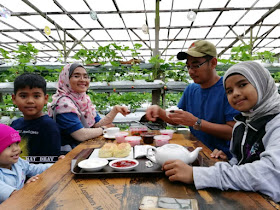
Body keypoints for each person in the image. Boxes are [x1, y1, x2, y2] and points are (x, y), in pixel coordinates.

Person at [162, 61, 280, 202]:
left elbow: (270, 173)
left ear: (262, 83)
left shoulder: (275, 123)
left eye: (242, 85)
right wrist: (230, 162)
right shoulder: (242, 125)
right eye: (229, 91)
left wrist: (197, 175)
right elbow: (242, 162)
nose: (235, 93)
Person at [146, 40, 239, 158]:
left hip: (219, 156)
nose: (190, 71)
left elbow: (233, 132)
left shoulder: (228, 89)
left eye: (196, 65)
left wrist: (196, 122)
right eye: (188, 66)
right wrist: (159, 111)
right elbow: (177, 119)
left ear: (213, 63)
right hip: (195, 152)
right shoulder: (191, 89)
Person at [48, 63, 130, 153]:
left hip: (83, 149)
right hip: (68, 154)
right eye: (76, 76)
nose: (83, 80)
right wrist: (104, 129)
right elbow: (80, 134)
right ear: (66, 79)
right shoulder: (63, 103)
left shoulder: (84, 100)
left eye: (86, 76)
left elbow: (97, 124)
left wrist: (115, 110)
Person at [10, 73, 62, 163]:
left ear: (45, 99)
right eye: (23, 96)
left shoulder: (49, 127)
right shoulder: (14, 124)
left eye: (36, 96)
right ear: (14, 99)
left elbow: (51, 161)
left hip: (38, 175)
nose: (30, 101)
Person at [0, 124, 52, 204]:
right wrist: (27, 188)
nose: (16, 149)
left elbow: (34, 168)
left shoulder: (18, 162)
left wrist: (58, 164)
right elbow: (13, 195)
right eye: (8, 146)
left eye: (17, 143)